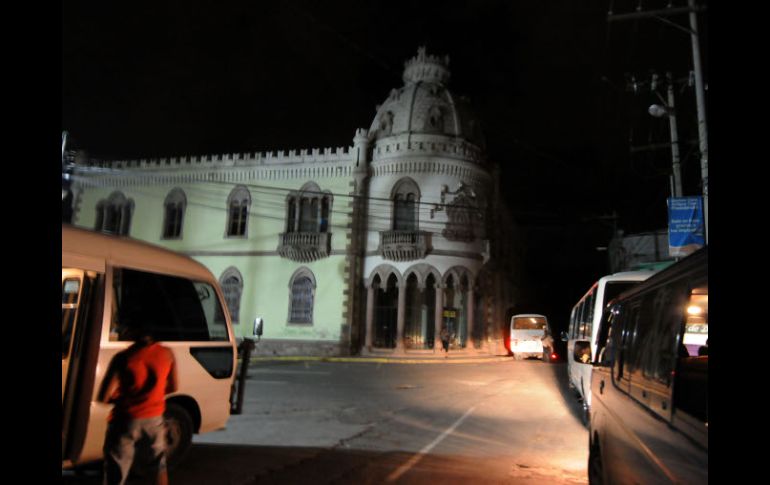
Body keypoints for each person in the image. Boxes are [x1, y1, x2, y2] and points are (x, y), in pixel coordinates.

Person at [97, 321, 178, 485]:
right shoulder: (167, 354)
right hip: (154, 420)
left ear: (132, 332)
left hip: (125, 420)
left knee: (117, 469)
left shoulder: (122, 358)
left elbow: (103, 397)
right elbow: (174, 387)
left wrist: (123, 397)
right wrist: (151, 395)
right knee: (158, 466)